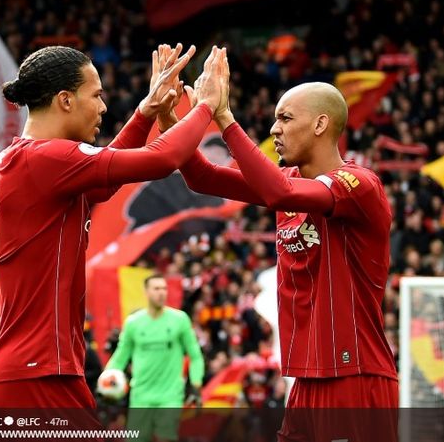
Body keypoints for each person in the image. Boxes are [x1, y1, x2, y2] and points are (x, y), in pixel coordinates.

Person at [160, 50, 397, 438]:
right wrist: (173, 121)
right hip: (306, 377)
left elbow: (278, 191)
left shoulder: (360, 185)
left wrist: (224, 118)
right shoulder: (287, 180)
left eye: (285, 118)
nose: (275, 129)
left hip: (354, 374)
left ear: (321, 124)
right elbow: (203, 179)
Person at [0, 43, 226, 409]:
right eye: (96, 95)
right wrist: (206, 104)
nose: (103, 107)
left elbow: (105, 183)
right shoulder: (45, 158)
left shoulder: (28, 162)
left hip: (35, 371)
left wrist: (146, 112)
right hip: (35, 375)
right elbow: (163, 158)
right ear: (65, 100)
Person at [102, 274, 204, 442]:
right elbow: (120, 358)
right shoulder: (133, 323)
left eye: (164, 288)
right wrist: (106, 379)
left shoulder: (180, 320)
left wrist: (196, 384)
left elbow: (195, 356)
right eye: (156, 289)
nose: (161, 293)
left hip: (170, 396)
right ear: (146, 292)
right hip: (141, 395)